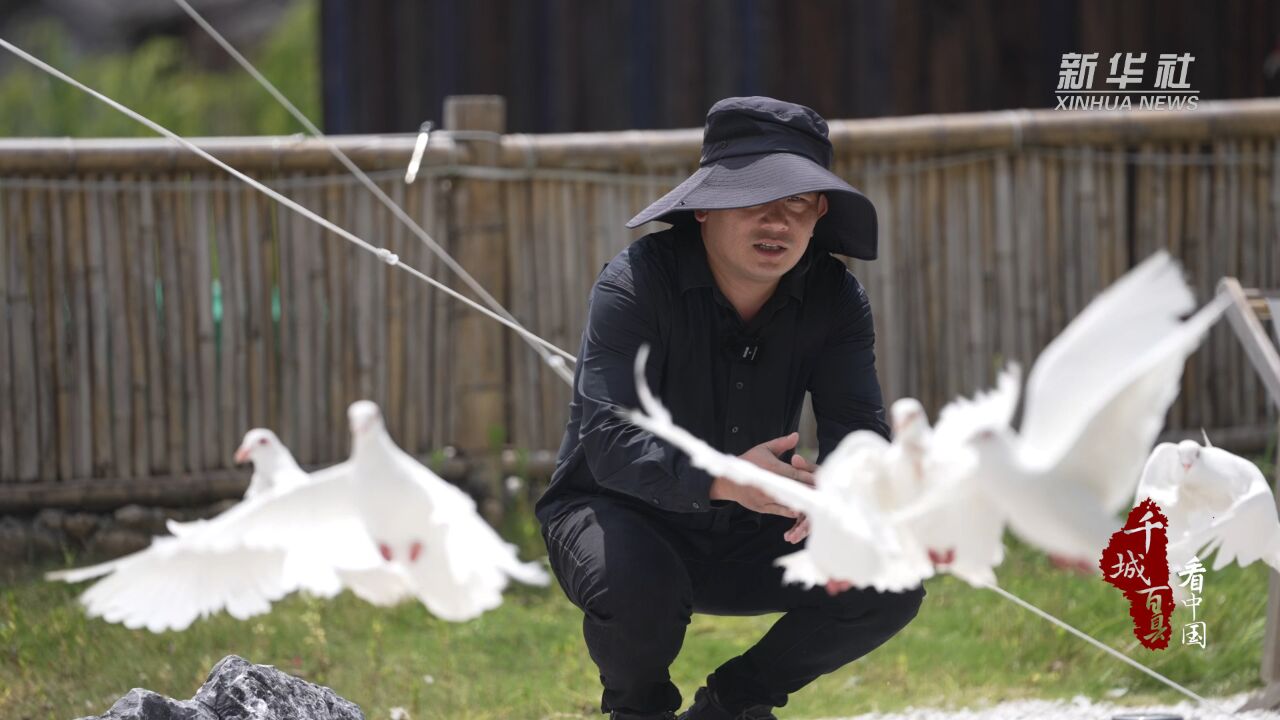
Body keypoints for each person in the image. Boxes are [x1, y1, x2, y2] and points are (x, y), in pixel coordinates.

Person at [535, 96, 925, 720]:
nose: (778, 221)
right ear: (705, 207)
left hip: (753, 529)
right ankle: (639, 711)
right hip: (621, 515)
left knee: (890, 574)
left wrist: (843, 497)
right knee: (636, 587)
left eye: (798, 202)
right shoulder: (634, 283)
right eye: (755, 198)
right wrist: (729, 477)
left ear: (820, 211)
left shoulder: (835, 296)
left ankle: (734, 704)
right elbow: (609, 439)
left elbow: (859, 433)